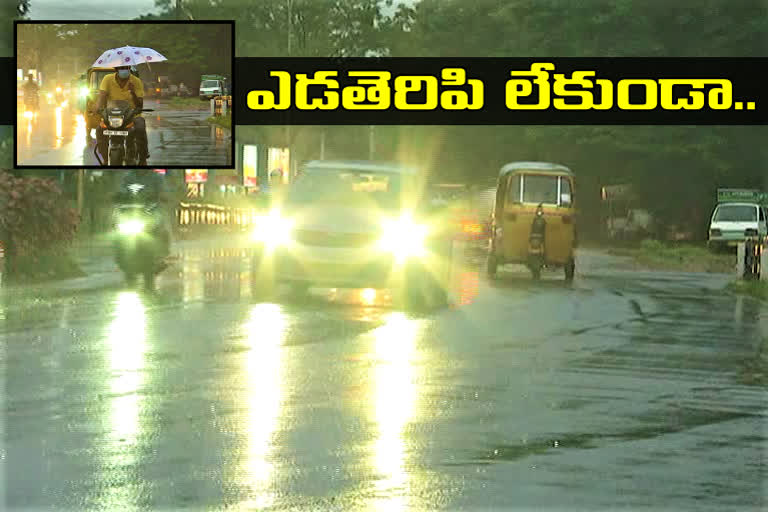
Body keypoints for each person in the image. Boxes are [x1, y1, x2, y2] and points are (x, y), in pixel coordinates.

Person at [91, 65, 148, 165]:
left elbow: (140, 104)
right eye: (122, 68)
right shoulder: (107, 79)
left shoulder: (136, 81)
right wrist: (97, 108)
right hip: (112, 116)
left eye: (127, 68)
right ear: (116, 69)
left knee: (140, 127)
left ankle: (143, 159)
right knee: (100, 130)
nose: (124, 70)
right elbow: (102, 96)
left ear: (129, 68)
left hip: (132, 116)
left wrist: (133, 92)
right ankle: (104, 159)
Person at [114, 169, 172, 256]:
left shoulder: (157, 177)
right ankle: (119, 250)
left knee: (162, 224)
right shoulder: (128, 176)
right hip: (132, 210)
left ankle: (164, 250)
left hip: (151, 209)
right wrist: (118, 196)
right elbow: (121, 190)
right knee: (117, 226)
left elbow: (163, 192)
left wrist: (162, 196)